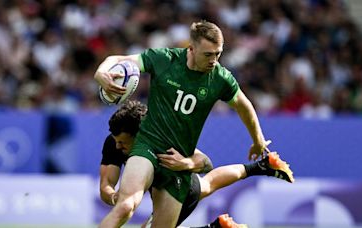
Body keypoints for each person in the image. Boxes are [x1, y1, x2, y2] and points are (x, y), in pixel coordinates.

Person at [95, 20, 274, 227]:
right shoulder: (164, 60)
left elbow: (244, 106)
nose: (214, 60)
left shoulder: (221, 79)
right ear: (191, 48)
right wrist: (101, 73)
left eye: (218, 54)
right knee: (127, 206)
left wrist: (258, 140)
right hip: (148, 147)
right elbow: (116, 59)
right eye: (208, 54)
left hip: (177, 163)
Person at [100, 100, 294, 228]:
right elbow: (106, 185)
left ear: (139, 135)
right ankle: (261, 166)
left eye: (123, 142)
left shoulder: (163, 137)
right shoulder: (113, 143)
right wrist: (113, 196)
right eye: (116, 140)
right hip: (176, 187)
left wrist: (184, 163)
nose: (118, 146)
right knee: (208, 184)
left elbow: (206, 162)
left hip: (178, 189)